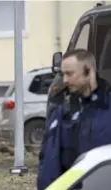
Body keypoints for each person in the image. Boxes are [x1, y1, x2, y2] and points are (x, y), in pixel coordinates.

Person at [37, 49, 111, 190]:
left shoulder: (107, 109)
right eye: (62, 74)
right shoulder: (60, 111)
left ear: (88, 71)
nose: (65, 80)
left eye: (70, 74)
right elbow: (47, 159)